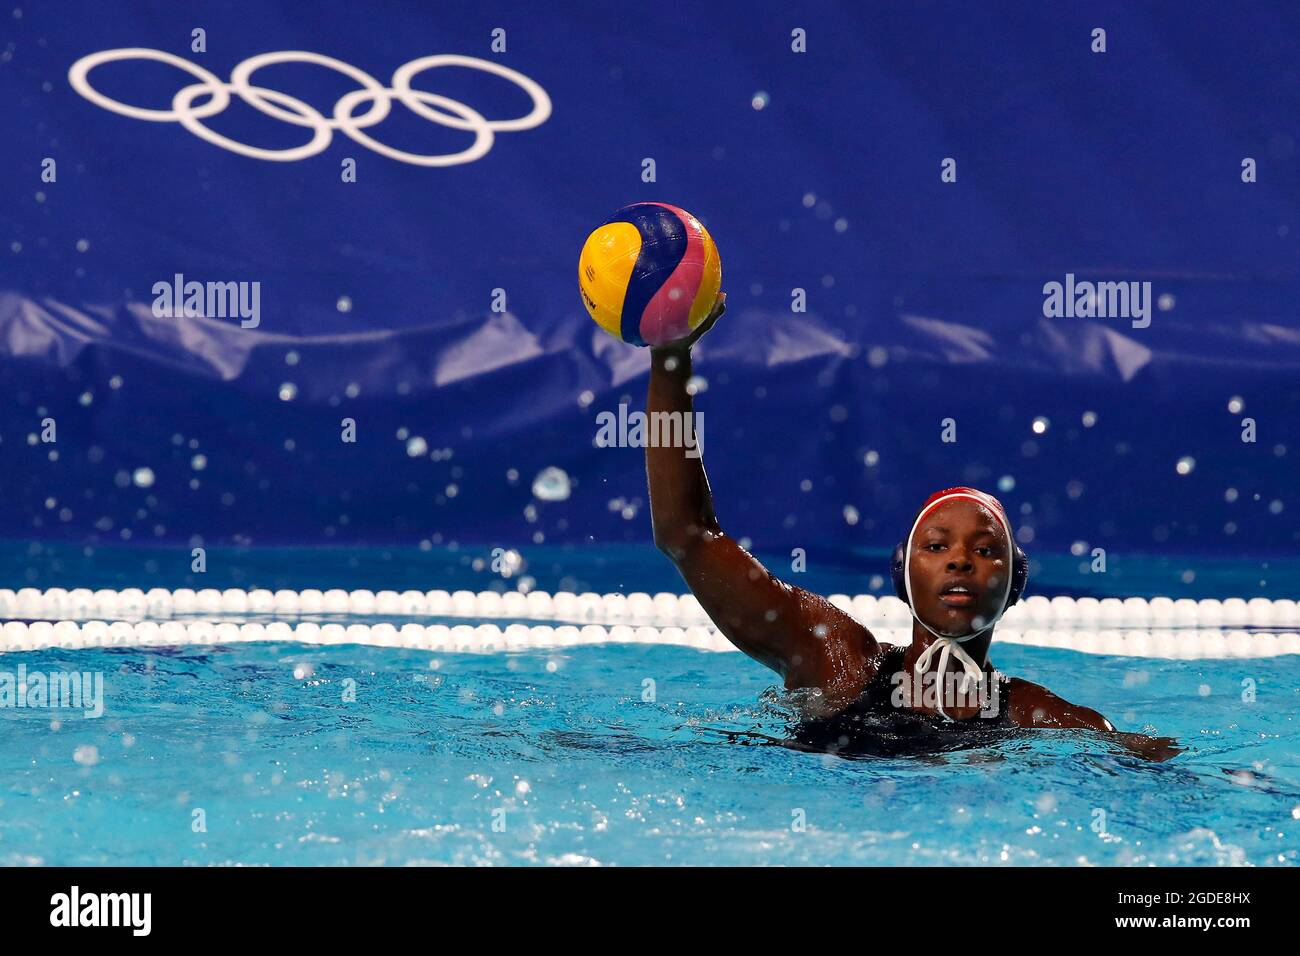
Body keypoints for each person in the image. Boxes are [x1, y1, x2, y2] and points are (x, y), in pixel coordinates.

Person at [645, 294, 1180, 761]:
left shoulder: (1028, 712)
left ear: (1014, 584)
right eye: (937, 545)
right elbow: (686, 535)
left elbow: (1145, 760)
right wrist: (671, 359)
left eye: (987, 549)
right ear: (903, 574)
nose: (960, 560)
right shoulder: (838, 663)